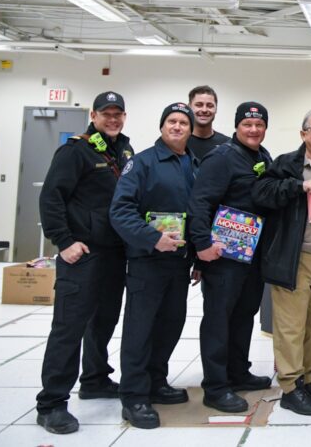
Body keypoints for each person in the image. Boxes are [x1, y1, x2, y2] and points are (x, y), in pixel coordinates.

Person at [35, 91, 133, 435]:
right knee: (69, 327)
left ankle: (94, 379)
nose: (113, 119)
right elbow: (51, 197)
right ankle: (51, 404)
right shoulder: (75, 151)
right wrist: (63, 241)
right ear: (93, 115)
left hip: (115, 253)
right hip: (82, 253)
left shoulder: (124, 150)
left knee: (103, 321)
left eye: (118, 114)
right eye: (106, 114)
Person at [252, 109, 311, 416]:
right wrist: (298, 186)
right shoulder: (287, 164)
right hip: (295, 258)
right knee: (290, 327)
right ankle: (290, 387)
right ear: (303, 134)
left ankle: (306, 377)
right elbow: (261, 192)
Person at [109, 103, 197, 429]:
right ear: (162, 127)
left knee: (170, 325)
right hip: (148, 261)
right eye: (171, 121)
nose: (177, 127)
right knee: (140, 330)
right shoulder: (143, 162)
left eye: (183, 122)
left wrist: (198, 256)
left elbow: (197, 213)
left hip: (179, 263)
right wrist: (152, 238)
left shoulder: (193, 164)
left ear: (191, 130)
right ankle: (133, 396)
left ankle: (156, 382)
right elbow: (120, 211)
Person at [188, 102, 273, 414]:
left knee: (244, 314)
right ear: (237, 126)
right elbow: (199, 203)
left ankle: (238, 372)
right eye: (247, 124)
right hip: (223, 255)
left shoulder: (263, 157)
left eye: (259, 125)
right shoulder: (221, 158)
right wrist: (202, 245)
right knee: (218, 319)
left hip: (252, 255)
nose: (254, 130)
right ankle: (215, 386)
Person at [188, 86, 230, 161]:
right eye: (199, 105)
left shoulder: (227, 144)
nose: (204, 110)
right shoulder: (180, 141)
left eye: (210, 106)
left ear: (216, 109)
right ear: (189, 107)